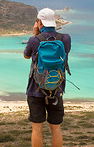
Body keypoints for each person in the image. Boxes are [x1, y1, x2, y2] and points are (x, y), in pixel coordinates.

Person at [23, 8, 71, 147]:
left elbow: (26, 55)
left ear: (40, 22)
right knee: (55, 128)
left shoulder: (34, 40)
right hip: (56, 90)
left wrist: (35, 34)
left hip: (35, 90)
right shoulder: (65, 39)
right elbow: (65, 54)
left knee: (37, 128)